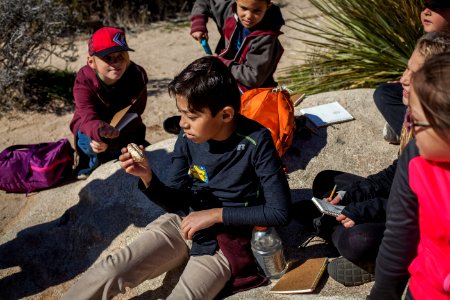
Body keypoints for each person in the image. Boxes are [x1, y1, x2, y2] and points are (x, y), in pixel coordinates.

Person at [62, 56, 291, 300]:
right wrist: (148, 177)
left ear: (225, 115)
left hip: (226, 240)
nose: (183, 124)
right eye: (181, 114)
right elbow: (174, 199)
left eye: (191, 117)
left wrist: (214, 215)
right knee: (111, 270)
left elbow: (279, 211)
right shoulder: (187, 137)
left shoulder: (257, 141)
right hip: (182, 222)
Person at [293, 31, 450, 287]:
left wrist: (363, 210)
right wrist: (351, 195)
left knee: (359, 240)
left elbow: (412, 208)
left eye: (415, 73)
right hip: (398, 206)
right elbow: (396, 176)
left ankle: (342, 237)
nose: (404, 79)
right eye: (406, 68)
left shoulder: (433, 138)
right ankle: (334, 225)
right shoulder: (418, 130)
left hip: (418, 227)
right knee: (328, 180)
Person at [368, 52, 450, 300]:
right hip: (426, 290)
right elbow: (399, 236)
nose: (409, 128)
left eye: (418, 121)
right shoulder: (416, 157)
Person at [163, 0, 285, 135]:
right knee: (196, 84)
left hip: (248, 89)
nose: (249, 16)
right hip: (225, 73)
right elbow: (204, 2)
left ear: (267, 6)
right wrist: (199, 24)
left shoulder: (266, 37)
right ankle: (193, 119)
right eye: (243, 8)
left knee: (218, 105)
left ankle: (202, 125)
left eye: (257, 11)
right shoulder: (228, 9)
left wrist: (223, 63)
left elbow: (252, 77)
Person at [70, 27, 149, 179]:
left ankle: (112, 152)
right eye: (107, 57)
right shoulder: (84, 80)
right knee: (90, 142)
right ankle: (91, 163)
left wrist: (113, 140)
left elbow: (136, 113)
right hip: (93, 127)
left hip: (124, 128)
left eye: (121, 55)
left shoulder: (137, 76)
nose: (116, 62)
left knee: (136, 153)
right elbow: (86, 115)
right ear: (91, 61)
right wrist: (99, 134)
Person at [373, 0, 450, 144]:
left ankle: (411, 134)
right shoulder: (428, 41)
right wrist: (408, 83)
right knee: (384, 93)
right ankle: (405, 129)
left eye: (436, 7)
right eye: (424, 6)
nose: (426, 12)